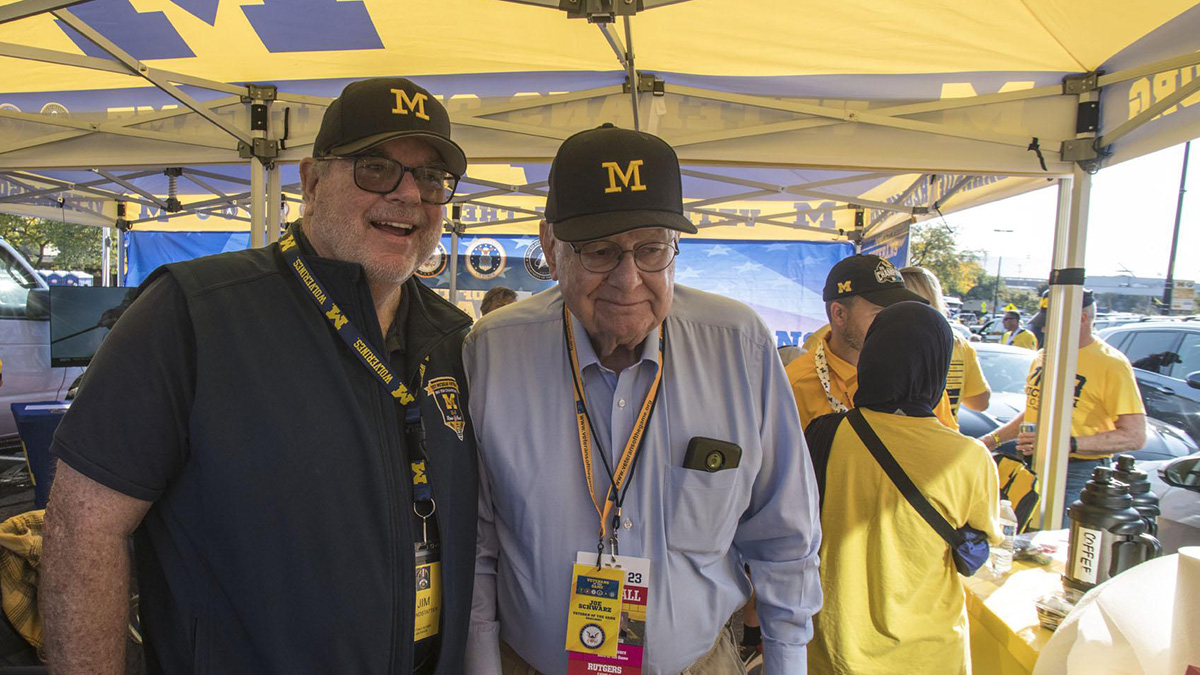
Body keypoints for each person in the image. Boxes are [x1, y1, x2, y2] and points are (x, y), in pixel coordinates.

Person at [41, 78, 479, 675]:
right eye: (376, 168)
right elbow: (82, 531)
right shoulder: (194, 313)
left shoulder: (455, 338)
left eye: (431, 179)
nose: (408, 195)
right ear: (311, 181)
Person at [463, 124, 822, 675]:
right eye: (600, 251)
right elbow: (478, 544)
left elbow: (785, 535)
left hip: (698, 665)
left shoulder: (740, 346)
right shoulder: (492, 352)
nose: (629, 280)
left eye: (651, 249)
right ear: (549, 247)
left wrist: (788, 662)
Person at [803, 302, 1002, 675]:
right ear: (937, 367)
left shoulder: (826, 433)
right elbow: (980, 547)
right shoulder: (969, 457)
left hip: (835, 646)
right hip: (930, 654)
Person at [982, 289, 1147, 509]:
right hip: (1033, 468)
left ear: (1082, 318)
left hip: (1078, 473)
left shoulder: (1111, 363)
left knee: (1057, 540)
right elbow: (1035, 410)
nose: (1043, 328)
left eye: (1053, 321)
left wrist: (1065, 444)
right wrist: (990, 441)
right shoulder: (1044, 356)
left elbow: (1134, 436)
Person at [786, 255, 957, 432]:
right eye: (880, 314)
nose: (894, 324)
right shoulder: (795, 386)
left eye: (899, 312)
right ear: (839, 314)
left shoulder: (917, 376)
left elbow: (947, 445)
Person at [900, 266, 991, 423]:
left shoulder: (890, 342)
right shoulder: (959, 343)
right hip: (948, 439)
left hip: (901, 439)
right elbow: (980, 403)